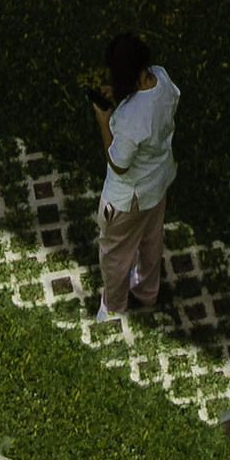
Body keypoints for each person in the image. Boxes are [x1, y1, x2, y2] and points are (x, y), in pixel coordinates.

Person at [89, 32, 179, 318]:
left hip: (128, 197)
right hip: (158, 182)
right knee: (151, 240)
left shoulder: (129, 120)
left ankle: (113, 305)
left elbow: (118, 163)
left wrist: (104, 123)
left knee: (115, 253)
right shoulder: (162, 79)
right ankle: (147, 292)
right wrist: (120, 96)